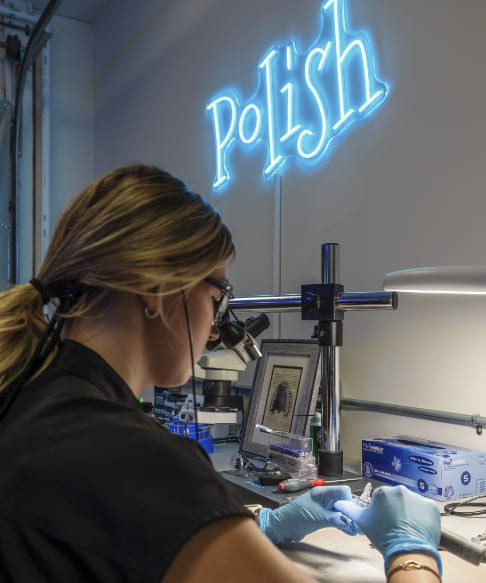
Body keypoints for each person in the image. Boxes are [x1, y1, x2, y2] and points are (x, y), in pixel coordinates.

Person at [0, 164, 442, 583]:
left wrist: (258, 525)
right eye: (218, 295)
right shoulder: (135, 457)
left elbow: (125, 527)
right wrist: (413, 551)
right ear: (156, 289)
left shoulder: (29, 395)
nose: (215, 326)